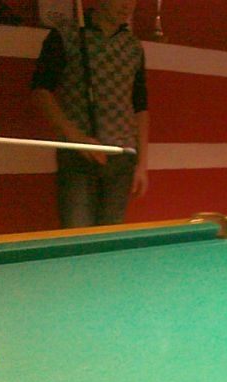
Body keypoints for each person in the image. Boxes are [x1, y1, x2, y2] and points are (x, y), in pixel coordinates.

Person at [31, 0, 149, 228]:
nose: (127, 6)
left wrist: (142, 164)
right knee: (77, 235)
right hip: (77, 156)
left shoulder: (133, 47)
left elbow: (141, 107)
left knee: (110, 239)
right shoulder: (66, 35)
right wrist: (77, 138)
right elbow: (40, 92)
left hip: (122, 158)